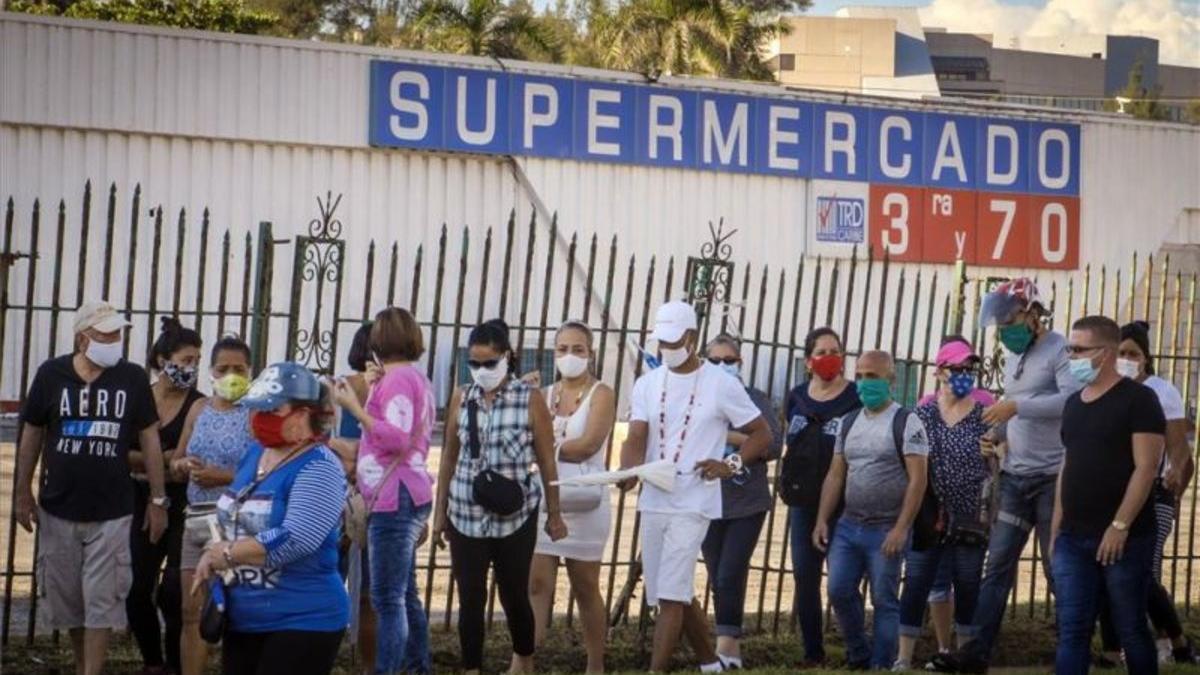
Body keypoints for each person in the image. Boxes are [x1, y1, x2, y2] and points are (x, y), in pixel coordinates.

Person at [932, 278, 1079, 674]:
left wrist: (1015, 407)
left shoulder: (1060, 349)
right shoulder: (1013, 356)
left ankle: (1072, 651)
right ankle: (976, 653)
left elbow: (1070, 401)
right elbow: (1017, 409)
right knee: (997, 565)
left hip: (1052, 477)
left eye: (1008, 319)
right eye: (997, 322)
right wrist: (996, 432)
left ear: (1033, 313)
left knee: (1055, 567)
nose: (1003, 329)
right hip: (1015, 476)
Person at [14, 300, 168, 675]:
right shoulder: (51, 375)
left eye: (118, 334)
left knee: (102, 601)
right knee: (70, 602)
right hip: (58, 507)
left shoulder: (130, 378)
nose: (115, 341)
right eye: (107, 334)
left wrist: (158, 498)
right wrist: (21, 492)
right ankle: (84, 665)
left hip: (112, 510)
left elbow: (149, 438)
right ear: (84, 339)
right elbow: (33, 433)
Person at [618, 301, 772, 673]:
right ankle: (711, 663)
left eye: (673, 341)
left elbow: (762, 434)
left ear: (691, 337)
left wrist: (730, 463)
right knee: (671, 591)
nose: (666, 349)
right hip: (655, 497)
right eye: (661, 342)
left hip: (695, 500)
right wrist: (627, 470)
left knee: (670, 595)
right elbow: (636, 436)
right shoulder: (646, 384)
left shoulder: (721, 383)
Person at [192, 362, 350, 675]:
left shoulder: (319, 468)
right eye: (255, 409)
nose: (257, 418)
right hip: (245, 618)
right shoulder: (255, 453)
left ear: (304, 414)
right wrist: (215, 550)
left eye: (271, 410)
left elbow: (296, 539)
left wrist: (224, 553)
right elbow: (234, 513)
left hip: (303, 619)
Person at [432, 319, 568, 675]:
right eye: (474, 364)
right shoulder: (463, 396)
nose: (481, 371)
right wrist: (439, 511)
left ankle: (524, 658)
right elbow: (449, 455)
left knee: (513, 595)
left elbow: (546, 459)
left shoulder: (529, 399)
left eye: (489, 363)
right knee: (471, 598)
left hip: (515, 514)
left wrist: (554, 513)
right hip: (465, 512)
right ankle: (471, 667)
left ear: (507, 357)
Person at [1051, 316, 1165, 675]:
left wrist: (1119, 525)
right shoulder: (1073, 404)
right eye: (1070, 349)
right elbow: (1067, 468)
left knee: (1129, 626)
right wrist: (1056, 529)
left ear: (1107, 352)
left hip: (1126, 538)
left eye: (1079, 349)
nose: (1072, 356)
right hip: (1073, 538)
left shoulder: (1140, 400)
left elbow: (1146, 468)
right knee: (1072, 631)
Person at [332, 307, 436, 675]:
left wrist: (354, 408)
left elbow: (395, 437)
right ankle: (416, 666)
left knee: (387, 599)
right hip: (404, 492)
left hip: (395, 497)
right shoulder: (413, 378)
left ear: (378, 341)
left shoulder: (398, 382)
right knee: (404, 595)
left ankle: (390, 669)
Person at [813, 350, 930, 671]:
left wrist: (901, 528)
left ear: (890, 380)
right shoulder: (849, 422)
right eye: (860, 376)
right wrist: (823, 519)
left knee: (884, 600)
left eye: (873, 376)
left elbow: (918, 479)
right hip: (850, 525)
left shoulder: (907, 421)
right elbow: (836, 474)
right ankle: (859, 655)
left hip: (886, 527)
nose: (865, 383)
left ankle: (880, 665)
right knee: (838, 589)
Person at [1095, 321, 1198, 665]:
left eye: (1132, 354)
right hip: (1112, 492)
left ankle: (1177, 642)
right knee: (1108, 567)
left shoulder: (1160, 390)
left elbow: (1179, 444)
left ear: (1145, 358)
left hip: (1154, 495)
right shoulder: (1107, 389)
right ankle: (1111, 651)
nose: (1125, 359)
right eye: (1120, 353)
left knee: (1141, 573)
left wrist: (1174, 473)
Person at [896, 338, 993, 670]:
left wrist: (996, 454)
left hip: (970, 516)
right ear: (939, 373)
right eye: (957, 369)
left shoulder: (984, 414)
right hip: (930, 515)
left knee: (967, 584)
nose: (965, 375)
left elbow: (1001, 462)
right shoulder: (922, 413)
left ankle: (964, 655)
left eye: (970, 369)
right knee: (918, 581)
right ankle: (904, 657)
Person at [528, 321, 616, 674]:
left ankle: (595, 664)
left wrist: (546, 447)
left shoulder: (602, 394)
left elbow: (588, 445)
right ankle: (525, 660)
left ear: (590, 353)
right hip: (546, 501)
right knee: (536, 584)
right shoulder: (543, 394)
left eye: (578, 349)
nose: (570, 356)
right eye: (562, 349)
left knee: (585, 587)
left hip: (585, 502)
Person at [170, 335, 255, 675]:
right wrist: (182, 467)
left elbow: (265, 472)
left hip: (237, 524)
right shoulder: (198, 408)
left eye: (239, 369)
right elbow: (177, 459)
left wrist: (221, 476)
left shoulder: (256, 414)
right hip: (196, 520)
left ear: (250, 372)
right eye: (224, 368)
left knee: (239, 612)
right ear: (211, 372)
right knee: (191, 611)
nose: (231, 375)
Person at [700, 334, 782, 670]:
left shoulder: (754, 399)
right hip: (706, 499)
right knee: (717, 573)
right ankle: (728, 642)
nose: (722, 366)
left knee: (730, 572)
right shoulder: (698, 398)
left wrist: (731, 437)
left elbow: (773, 446)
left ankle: (728, 647)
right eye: (714, 360)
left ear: (740, 363)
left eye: (728, 360)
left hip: (747, 501)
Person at [781, 327, 861, 667]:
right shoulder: (796, 395)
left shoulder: (855, 397)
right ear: (808, 361)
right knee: (805, 576)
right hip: (802, 501)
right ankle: (813, 653)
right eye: (822, 352)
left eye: (836, 351)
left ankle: (859, 650)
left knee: (842, 580)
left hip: (846, 502)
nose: (830, 358)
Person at [128, 317, 204, 675]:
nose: (192, 368)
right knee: (137, 587)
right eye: (186, 360)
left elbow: (188, 460)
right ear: (162, 359)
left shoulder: (199, 405)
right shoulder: (137, 396)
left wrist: (146, 458)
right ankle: (152, 662)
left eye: (196, 361)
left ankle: (176, 664)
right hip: (136, 498)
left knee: (175, 589)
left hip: (183, 501)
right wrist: (164, 458)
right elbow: (118, 451)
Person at [328, 321, 380, 675]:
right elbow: (319, 438)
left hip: (376, 498)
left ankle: (368, 665)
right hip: (335, 497)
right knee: (330, 580)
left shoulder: (392, 393)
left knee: (370, 594)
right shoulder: (336, 388)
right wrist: (344, 448)